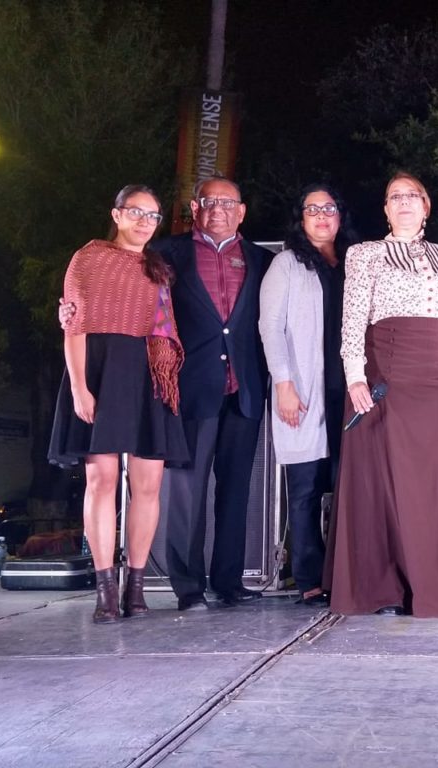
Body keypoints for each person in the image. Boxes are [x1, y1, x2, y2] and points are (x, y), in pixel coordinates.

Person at [326, 171, 438, 618]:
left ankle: (437, 584)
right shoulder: (364, 254)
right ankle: (385, 587)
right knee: (388, 482)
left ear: (426, 206)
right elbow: (353, 319)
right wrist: (355, 377)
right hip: (388, 375)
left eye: (413, 196)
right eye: (395, 197)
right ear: (386, 209)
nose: (404, 202)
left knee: (436, 483)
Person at [49, 185, 188, 623]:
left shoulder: (157, 267)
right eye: (136, 212)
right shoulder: (88, 258)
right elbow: (74, 326)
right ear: (117, 214)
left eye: (153, 216)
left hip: (149, 375)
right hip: (99, 371)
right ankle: (105, 588)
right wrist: (79, 387)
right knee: (101, 479)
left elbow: (164, 330)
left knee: (148, 484)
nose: (145, 222)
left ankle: (136, 587)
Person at [157, 177, 273, 610]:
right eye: (210, 201)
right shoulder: (167, 254)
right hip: (191, 388)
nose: (219, 209)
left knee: (236, 490)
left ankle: (229, 581)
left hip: (244, 389)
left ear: (242, 212)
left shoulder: (263, 260)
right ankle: (188, 587)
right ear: (195, 208)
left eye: (228, 202)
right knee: (187, 492)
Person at [259, 183, 353, 606]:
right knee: (305, 490)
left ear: (340, 216)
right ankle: (310, 577)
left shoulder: (355, 261)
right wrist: (284, 383)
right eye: (312, 209)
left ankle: (346, 574)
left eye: (329, 208)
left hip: (348, 392)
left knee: (350, 487)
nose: (321, 216)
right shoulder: (287, 264)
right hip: (304, 390)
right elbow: (270, 327)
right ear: (301, 218)